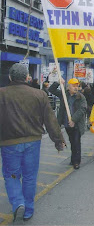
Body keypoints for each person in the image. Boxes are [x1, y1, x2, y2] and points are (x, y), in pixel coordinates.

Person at [0, 64, 65, 222]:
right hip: (33, 141)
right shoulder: (40, 94)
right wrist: (58, 140)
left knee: (12, 175)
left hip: (9, 142)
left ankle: (18, 203)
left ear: (10, 77)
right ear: (27, 77)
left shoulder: (2, 94)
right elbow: (50, 120)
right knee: (29, 176)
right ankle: (28, 210)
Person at [49, 78, 87, 170]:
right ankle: (73, 158)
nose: (75, 88)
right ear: (68, 86)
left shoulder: (80, 97)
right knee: (72, 141)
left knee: (76, 142)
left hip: (77, 124)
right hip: (66, 123)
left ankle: (76, 161)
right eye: (73, 86)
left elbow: (82, 109)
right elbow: (51, 90)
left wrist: (73, 120)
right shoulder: (64, 95)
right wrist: (58, 83)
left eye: (77, 86)